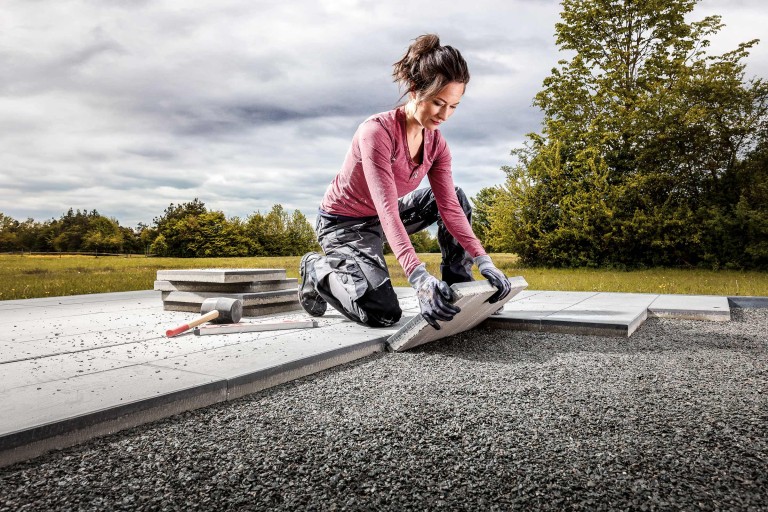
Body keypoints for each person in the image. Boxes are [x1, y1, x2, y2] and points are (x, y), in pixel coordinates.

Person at [298, 33, 512, 330]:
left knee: (457, 198)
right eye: (438, 103)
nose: (445, 115)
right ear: (414, 90)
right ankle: (317, 268)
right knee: (382, 313)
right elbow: (387, 210)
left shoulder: (437, 146)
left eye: (454, 106)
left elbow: (449, 208)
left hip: (381, 218)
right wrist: (419, 279)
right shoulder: (376, 133)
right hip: (344, 226)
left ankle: (460, 287)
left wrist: (484, 260)